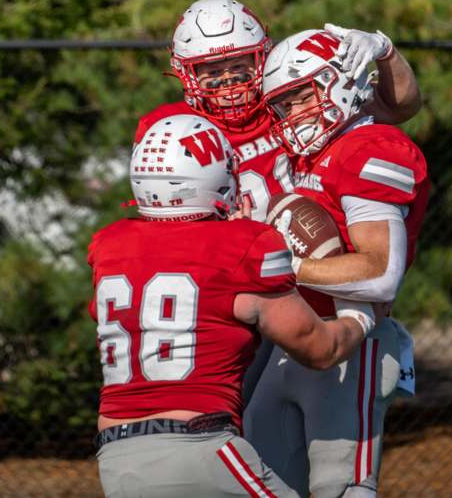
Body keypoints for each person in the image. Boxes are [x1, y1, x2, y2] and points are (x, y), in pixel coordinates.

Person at [90, 113, 383, 498]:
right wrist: (362, 317)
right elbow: (321, 349)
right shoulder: (243, 244)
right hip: (201, 445)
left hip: (116, 455)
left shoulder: (109, 245)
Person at [243, 29, 430, 498]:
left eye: (301, 96)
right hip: (293, 337)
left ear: (340, 81)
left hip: (352, 340)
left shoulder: (369, 147)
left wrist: (281, 268)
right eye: (283, 105)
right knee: (260, 484)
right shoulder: (302, 153)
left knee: (341, 489)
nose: (293, 115)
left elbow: (380, 273)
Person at [134, 0, 422, 223]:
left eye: (238, 64)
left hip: (307, 263)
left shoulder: (290, 100)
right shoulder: (169, 128)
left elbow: (397, 108)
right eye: (211, 69)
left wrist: (386, 53)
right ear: (185, 73)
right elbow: (163, 220)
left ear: (262, 57)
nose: (229, 79)